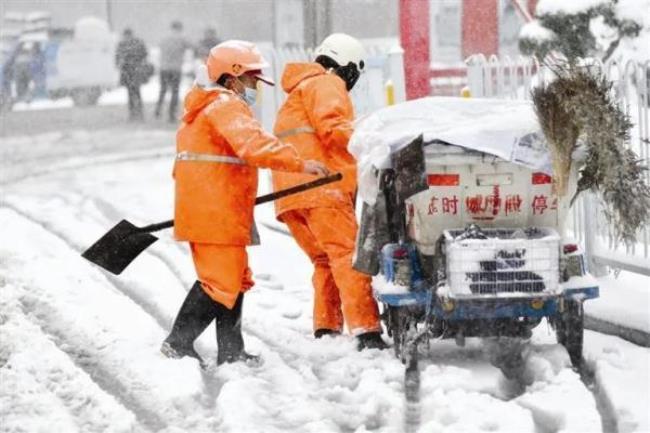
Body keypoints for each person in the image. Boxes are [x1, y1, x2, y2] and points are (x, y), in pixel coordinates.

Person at [161, 40, 329, 367]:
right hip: (215, 210)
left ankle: (231, 350)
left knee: (234, 278)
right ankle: (177, 343)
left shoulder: (209, 106)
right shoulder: (223, 104)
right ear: (232, 76)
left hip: (219, 208)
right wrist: (301, 163)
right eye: (252, 80)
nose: (255, 87)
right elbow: (254, 145)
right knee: (220, 281)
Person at [270, 33, 387, 351]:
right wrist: (375, 144)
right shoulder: (325, 83)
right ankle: (367, 332)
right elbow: (334, 127)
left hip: (290, 196)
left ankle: (326, 328)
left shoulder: (297, 92)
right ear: (346, 67)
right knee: (349, 258)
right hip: (322, 191)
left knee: (325, 260)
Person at [155, 21, 193, 122]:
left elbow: (160, 48)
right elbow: (191, 46)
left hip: (164, 68)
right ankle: (171, 114)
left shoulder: (164, 37)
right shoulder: (182, 38)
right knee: (175, 92)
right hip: (176, 68)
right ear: (180, 27)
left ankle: (158, 109)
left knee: (163, 90)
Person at [116, 28, 148, 121]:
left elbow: (117, 58)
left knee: (131, 93)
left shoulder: (122, 44)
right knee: (136, 92)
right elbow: (145, 54)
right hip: (135, 71)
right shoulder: (138, 42)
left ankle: (133, 114)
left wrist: (121, 64)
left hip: (128, 71)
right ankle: (139, 114)